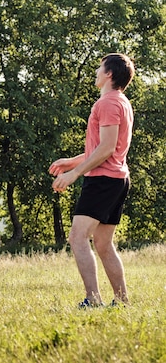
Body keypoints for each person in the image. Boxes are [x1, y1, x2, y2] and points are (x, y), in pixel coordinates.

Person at [49, 53, 135, 308]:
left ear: (109, 74)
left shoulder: (107, 104)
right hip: (117, 179)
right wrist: (72, 162)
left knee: (78, 237)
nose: (96, 71)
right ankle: (122, 302)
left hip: (103, 180)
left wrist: (75, 174)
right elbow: (105, 148)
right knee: (103, 244)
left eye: (100, 67)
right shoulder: (121, 102)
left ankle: (93, 300)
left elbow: (107, 148)